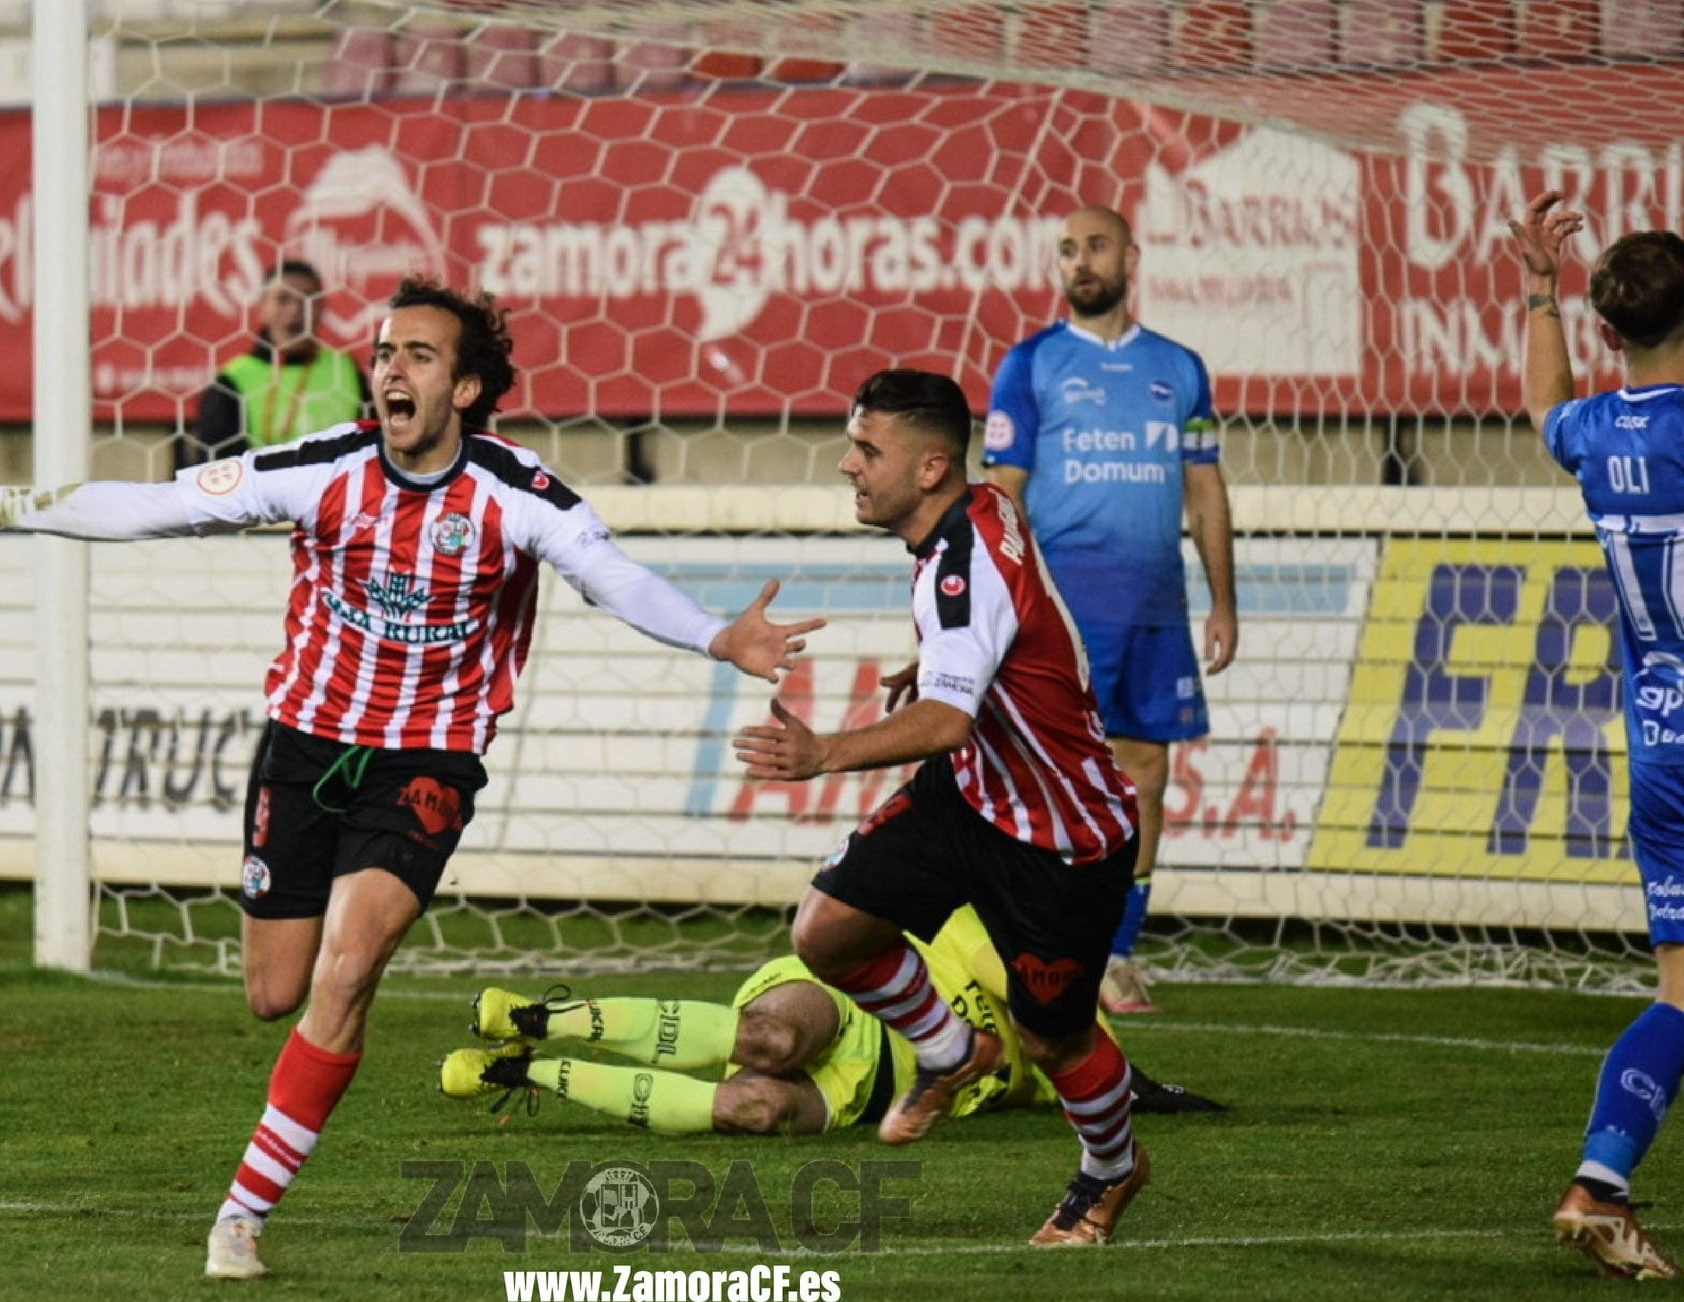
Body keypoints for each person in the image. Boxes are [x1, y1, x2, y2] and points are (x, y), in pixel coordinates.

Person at [0, 275, 823, 1281]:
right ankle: (303, 1070)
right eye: (384, 352)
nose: (390, 370)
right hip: (307, 745)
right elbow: (158, 504)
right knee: (276, 991)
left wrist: (717, 634)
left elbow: (611, 574)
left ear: (465, 388)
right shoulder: (322, 468)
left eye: (418, 355)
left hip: (427, 758)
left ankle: (239, 1216)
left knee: (347, 969)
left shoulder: (515, 490)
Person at [732, 367, 1150, 1247]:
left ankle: (1112, 1169)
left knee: (1057, 1044)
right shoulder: (984, 506)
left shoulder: (958, 568)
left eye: (866, 449)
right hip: (971, 794)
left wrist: (822, 754)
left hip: (1060, 837)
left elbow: (950, 720)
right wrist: (951, 656)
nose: (849, 465)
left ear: (929, 469)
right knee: (827, 932)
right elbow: (1012, 618)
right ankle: (954, 1050)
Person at [982, 206, 1239, 1013]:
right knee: (1039, 773)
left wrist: (1225, 600)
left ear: (1130, 255)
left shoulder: (1180, 369)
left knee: (1146, 773)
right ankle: (1032, 944)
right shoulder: (1029, 365)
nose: (1080, 262)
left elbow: (1204, 488)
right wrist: (985, 606)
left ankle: (1119, 955)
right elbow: (1001, 495)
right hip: (1057, 614)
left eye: (1095, 246)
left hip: (1155, 608)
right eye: (1067, 251)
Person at [1510, 191, 1684, 1282]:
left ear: (1605, 332)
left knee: (1679, 987)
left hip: (1660, 735)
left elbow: (1542, 410)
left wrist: (1536, 297)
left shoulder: (1595, 432)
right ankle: (1598, 1183)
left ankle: (1600, 1179)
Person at [438, 905, 1223, 1134]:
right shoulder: (994, 938)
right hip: (857, 998)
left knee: (756, 1104)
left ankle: (522, 1068)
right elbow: (1026, 987)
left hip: (868, 1096)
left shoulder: (1055, 1067)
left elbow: (1084, 1077)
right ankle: (546, 1018)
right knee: (772, 1040)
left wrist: (1133, 1090)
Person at [189, 259, 367, 464]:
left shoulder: (346, 369)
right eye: (283, 299)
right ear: (262, 308)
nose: (295, 309)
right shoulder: (232, 380)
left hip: (337, 492)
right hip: (261, 494)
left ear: (322, 308)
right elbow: (217, 468)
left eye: (308, 299)